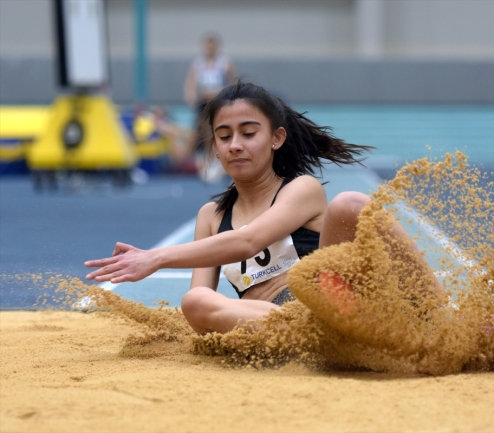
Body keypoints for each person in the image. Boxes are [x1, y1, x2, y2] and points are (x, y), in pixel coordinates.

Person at [84, 82, 436, 335]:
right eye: (224, 137)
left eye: (248, 133)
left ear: (276, 139)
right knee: (195, 300)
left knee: (350, 204)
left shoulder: (301, 189)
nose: (235, 145)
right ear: (215, 147)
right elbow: (201, 305)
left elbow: (248, 241)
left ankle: (440, 318)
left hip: (332, 302)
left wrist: (156, 258)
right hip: (272, 323)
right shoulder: (211, 217)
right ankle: (309, 339)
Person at [184, 34, 237, 178]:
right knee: (205, 131)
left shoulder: (224, 62)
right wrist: (191, 94)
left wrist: (232, 97)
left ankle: (219, 159)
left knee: (218, 130)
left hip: (219, 100)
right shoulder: (198, 63)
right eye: (207, 45)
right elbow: (192, 81)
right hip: (204, 101)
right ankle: (211, 159)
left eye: (212, 45)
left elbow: (232, 80)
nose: (210, 48)